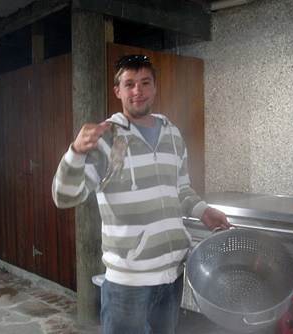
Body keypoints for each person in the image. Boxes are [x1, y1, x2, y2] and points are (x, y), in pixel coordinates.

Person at [52, 54, 231, 334]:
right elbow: (64, 198)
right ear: (118, 91)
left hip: (173, 276)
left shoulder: (172, 134)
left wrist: (203, 211)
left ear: (155, 87)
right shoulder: (106, 139)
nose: (138, 91)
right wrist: (75, 153)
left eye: (145, 82)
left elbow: (181, 189)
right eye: (130, 84)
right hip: (128, 284)